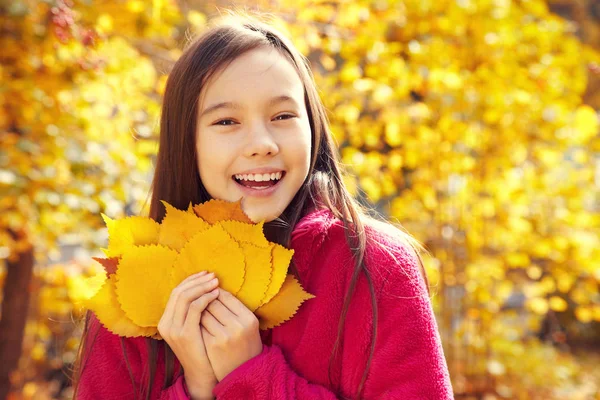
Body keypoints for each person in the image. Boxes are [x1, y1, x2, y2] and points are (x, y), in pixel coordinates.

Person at [71, 10, 454, 400]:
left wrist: (251, 377)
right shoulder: (133, 288)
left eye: (283, 115)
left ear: (313, 127)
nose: (262, 143)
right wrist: (198, 388)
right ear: (188, 141)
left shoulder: (375, 267)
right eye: (226, 122)